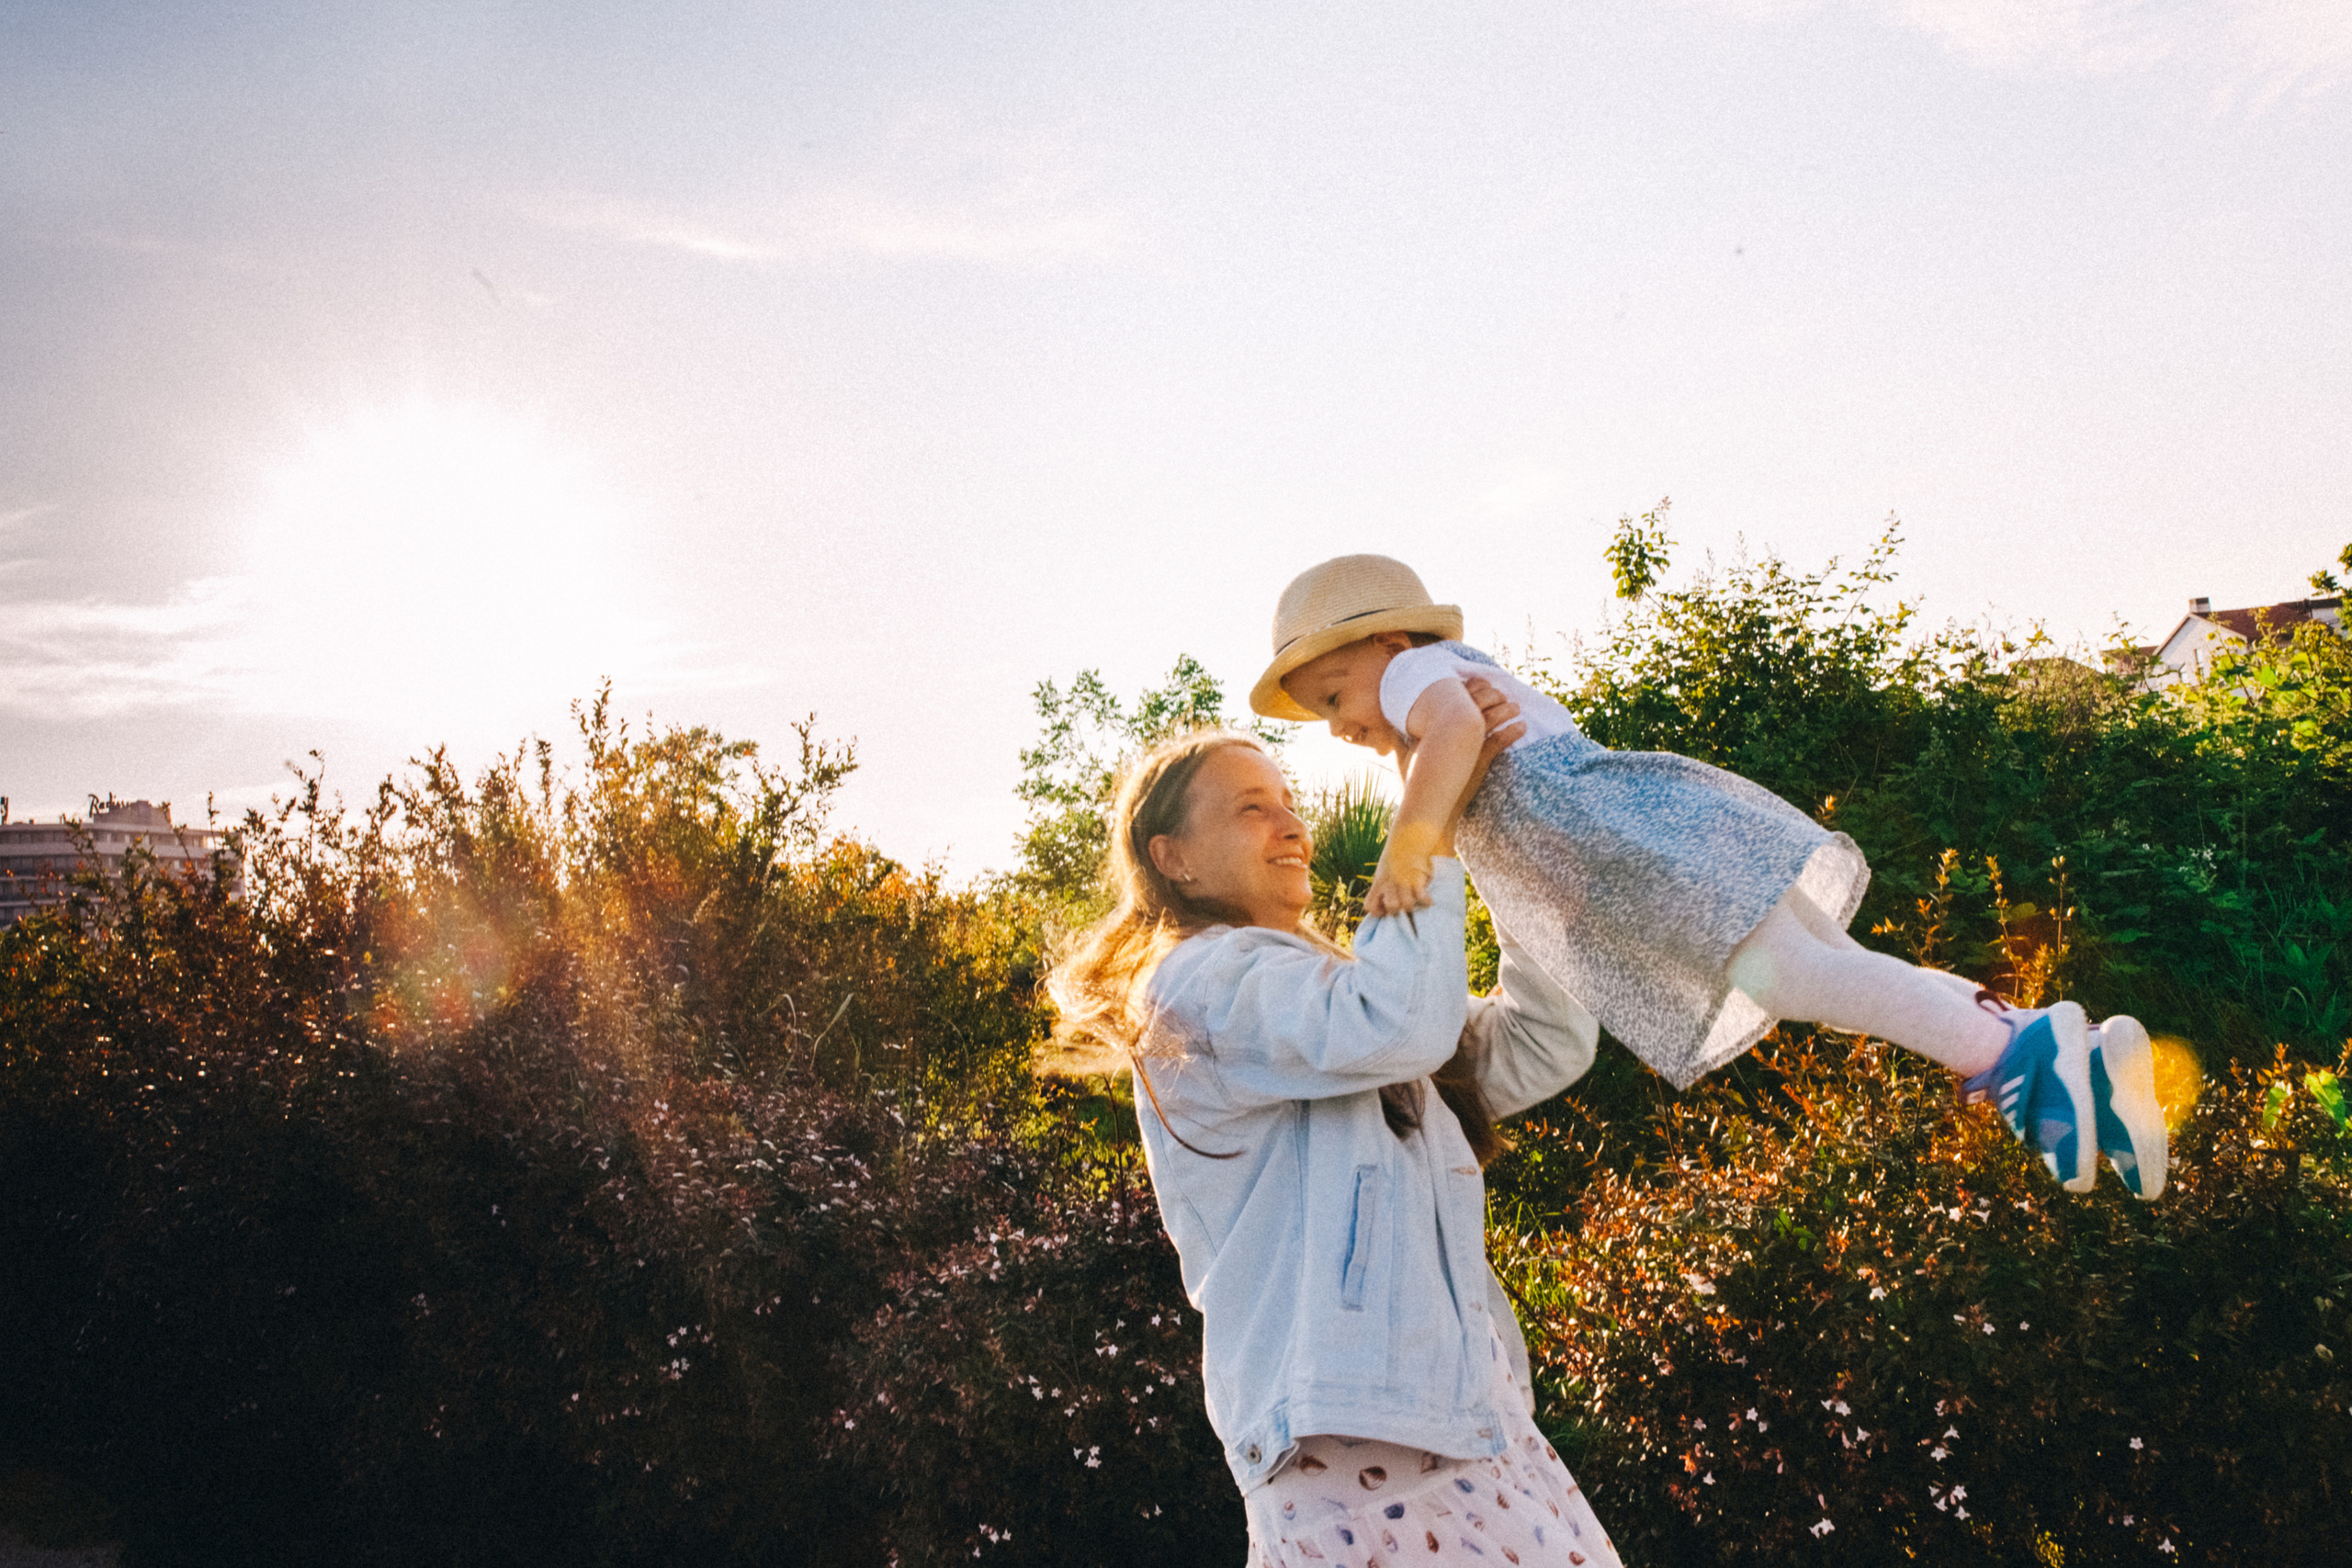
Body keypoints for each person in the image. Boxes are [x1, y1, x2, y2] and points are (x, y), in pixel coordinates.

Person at [1250, 553, 2168, 1201]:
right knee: (1830, 963)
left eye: (1332, 696)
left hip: (1624, 847)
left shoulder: (1417, 675)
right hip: (1641, 828)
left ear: (1384, 642)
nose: (1335, 724)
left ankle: (2020, 1056)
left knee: (1805, 976)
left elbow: (1452, 736)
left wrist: (1410, 844)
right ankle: (2075, 1059)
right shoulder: (1443, 679)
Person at [1050, 716, 1627, 1567]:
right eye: (1252, 808)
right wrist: (1428, 801)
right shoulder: (1194, 985)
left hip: (1469, 1420)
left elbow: (1543, 1041)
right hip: (1352, 1440)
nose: (1292, 825)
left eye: (1288, 802)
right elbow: (1398, 1022)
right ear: (1174, 858)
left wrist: (1502, 851)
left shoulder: (1333, 993)